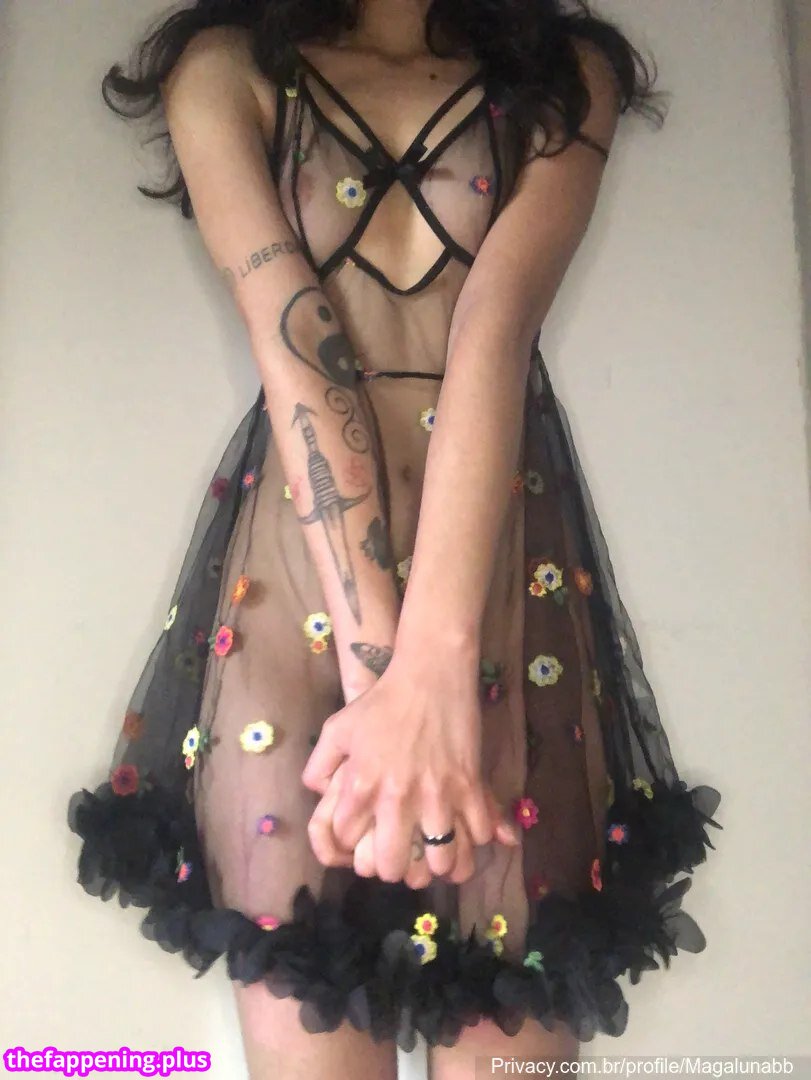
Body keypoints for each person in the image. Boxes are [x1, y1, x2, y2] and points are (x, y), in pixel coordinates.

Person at [67, 2, 723, 1077]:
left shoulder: (564, 77)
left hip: (501, 597)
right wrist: (390, 683)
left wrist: (434, 669)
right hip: (293, 603)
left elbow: (495, 332)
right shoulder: (225, 70)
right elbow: (294, 346)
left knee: (509, 1032)